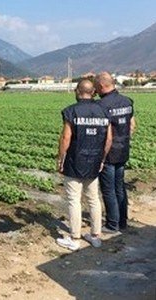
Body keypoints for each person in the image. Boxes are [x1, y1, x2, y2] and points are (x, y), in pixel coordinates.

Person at [56, 80, 113, 251]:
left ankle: (74, 238)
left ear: (78, 91)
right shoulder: (103, 111)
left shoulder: (71, 111)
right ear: (93, 92)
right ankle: (95, 236)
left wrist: (60, 158)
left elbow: (66, 138)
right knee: (93, 199)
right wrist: (102, 159)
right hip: (95, 161)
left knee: (74, 200)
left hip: (75, 160)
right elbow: (109, 139)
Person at [95, 72, 136, 233]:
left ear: (101, 86)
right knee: (120, 186)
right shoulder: (127, 102)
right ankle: (123, 221)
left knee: (108, 189)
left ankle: (112, 224)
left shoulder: (101, 106)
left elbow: (105, 135)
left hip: (109, 152)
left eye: (97, 87)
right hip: (123, 150)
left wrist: (101, 156)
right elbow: (132, 126)